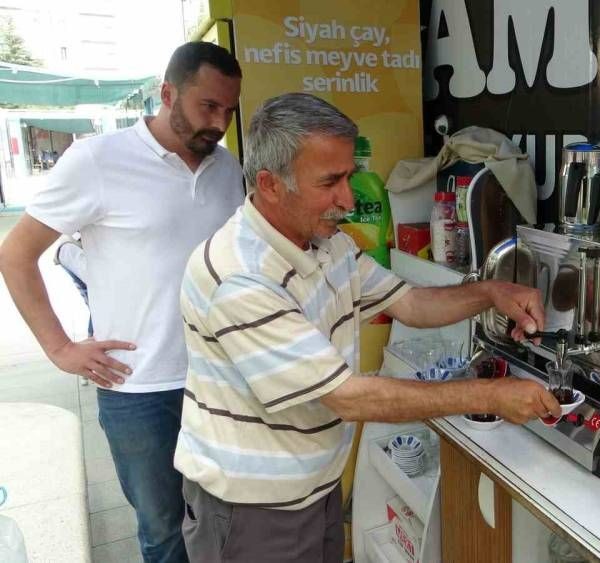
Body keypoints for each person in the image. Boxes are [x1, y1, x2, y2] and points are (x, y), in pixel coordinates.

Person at [175, 92, 561, 563]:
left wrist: (490, 292)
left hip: (314, 486)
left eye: (350, 176)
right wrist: (489, 395)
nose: (348, 198)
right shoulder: (240, 276)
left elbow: (411, 303)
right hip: (252, 509)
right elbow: (346, 396)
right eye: (330, 181)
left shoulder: (326, 242)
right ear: (270, 185)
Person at [0, 42, 244, 563]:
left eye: (229, 110)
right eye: (208, 107)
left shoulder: (228, 170)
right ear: (167, 94)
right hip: (139, 390)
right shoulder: (98, 160)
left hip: (221, 382)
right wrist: (60, 348)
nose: (219, 122)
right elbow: (16, 254)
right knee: (163, 530)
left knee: (225, 522)